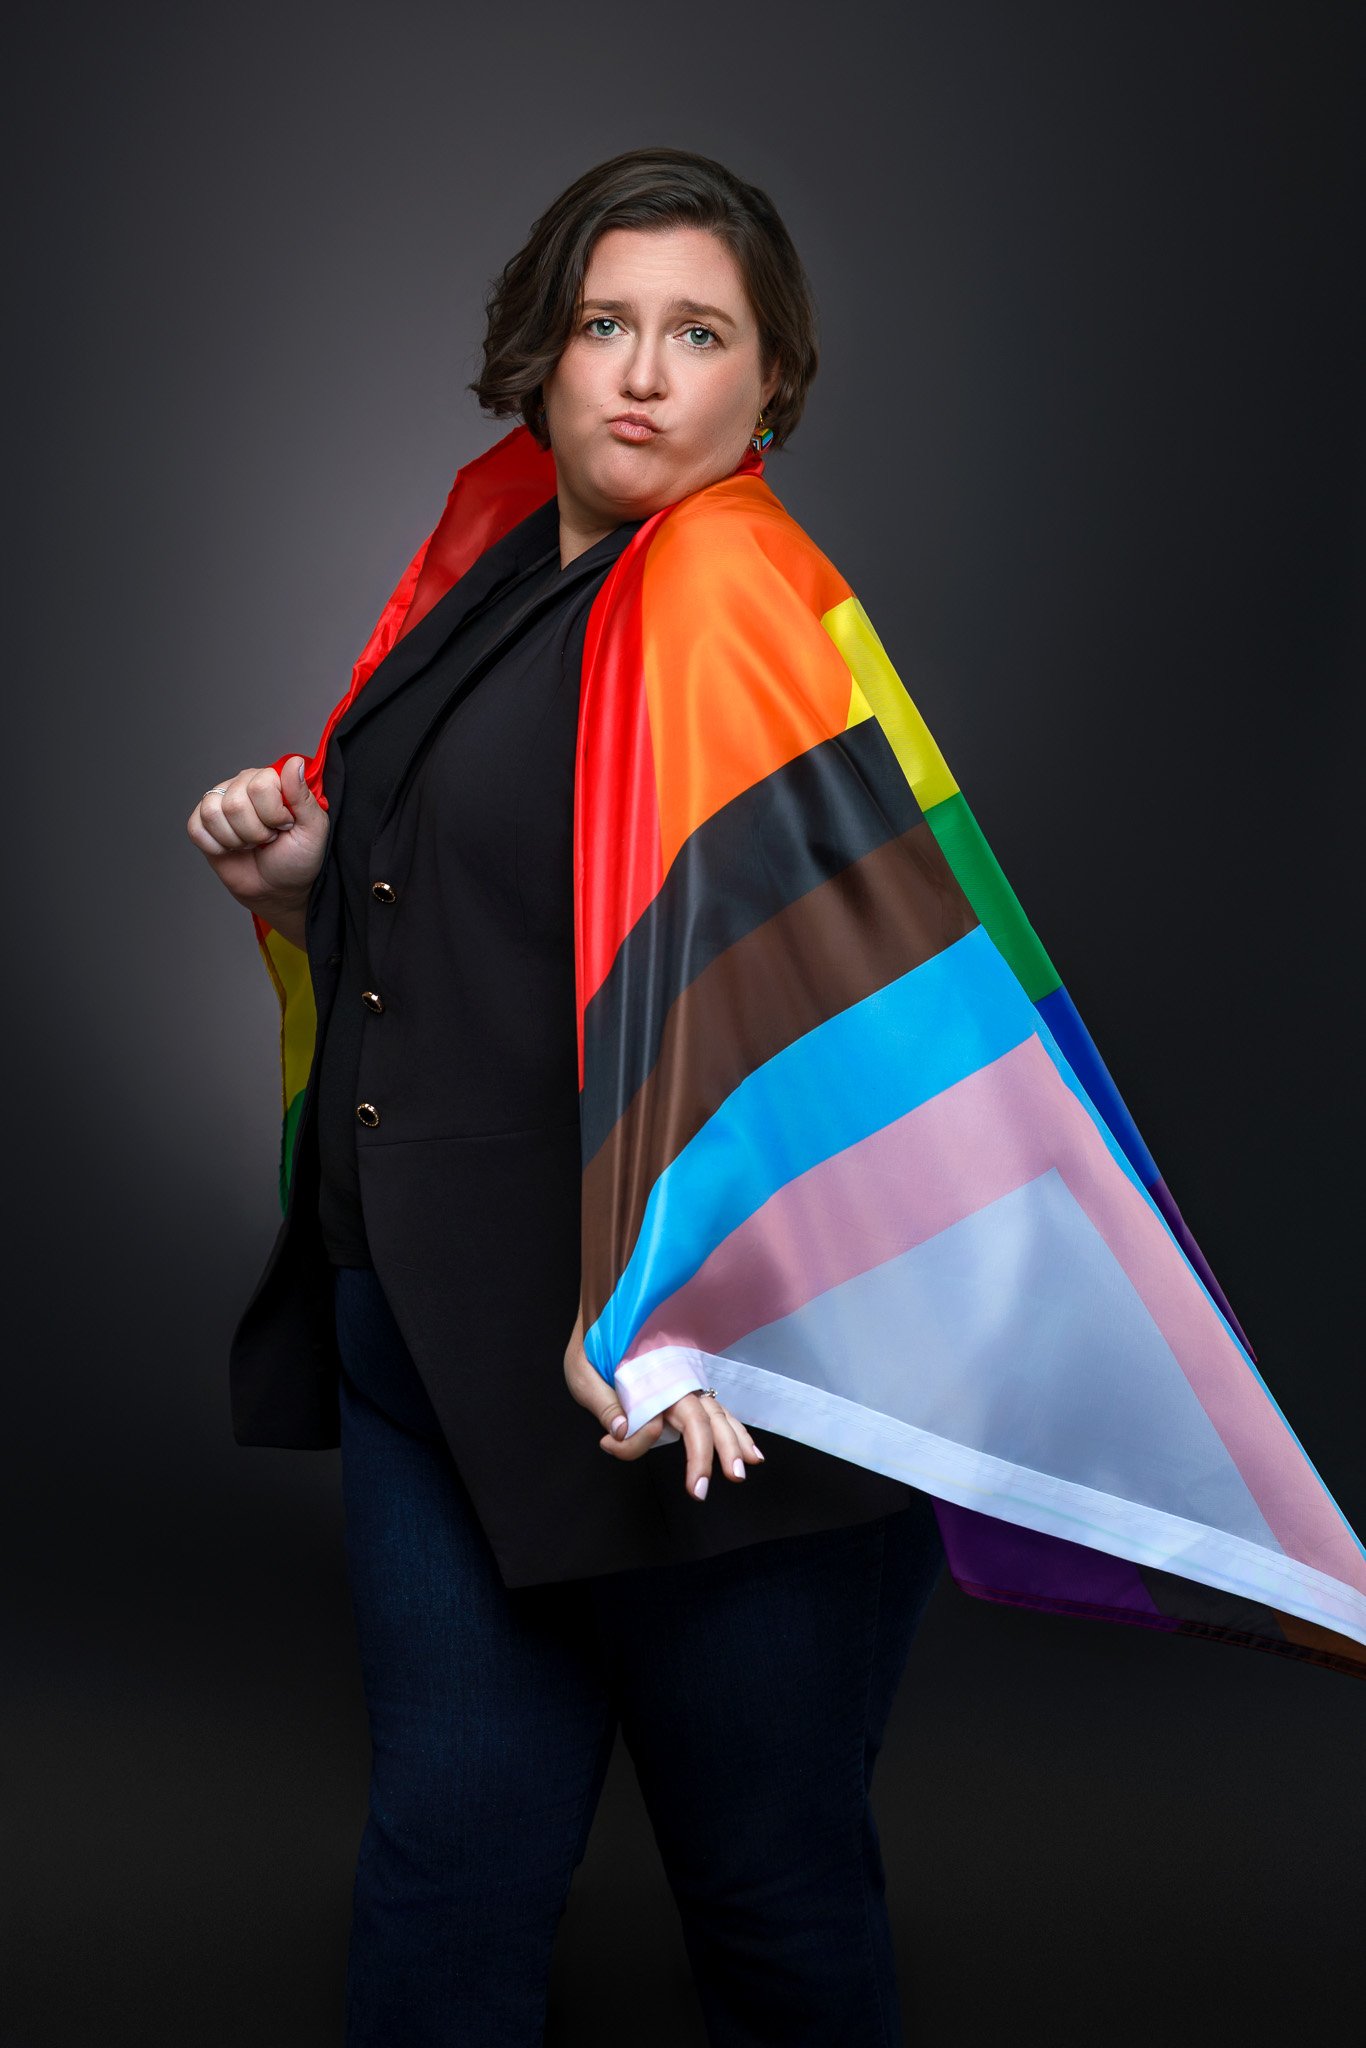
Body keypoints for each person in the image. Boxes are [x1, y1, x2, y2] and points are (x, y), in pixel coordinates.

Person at [187, 147, 949, 2046]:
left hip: (700, 1398)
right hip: (440, 1354)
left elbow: (839, 1005)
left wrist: (686, 1298)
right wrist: (298, 892)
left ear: (768, 385)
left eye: (696, 334)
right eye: (603, 322)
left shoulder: (732, 602)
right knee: (450, 1874)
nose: (638, 370)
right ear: (538, 352)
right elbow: (480, 913)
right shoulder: (512, 570)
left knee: (771, 1888)